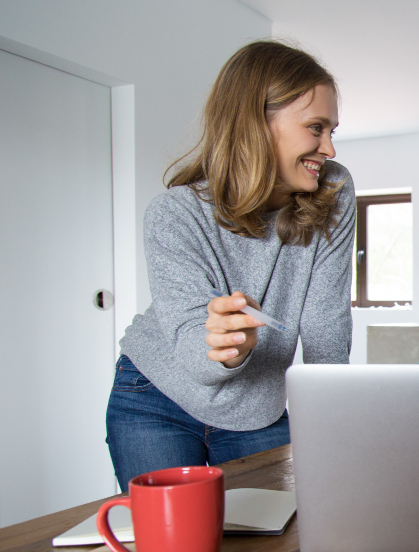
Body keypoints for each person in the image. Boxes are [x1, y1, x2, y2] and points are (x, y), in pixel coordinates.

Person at [106, 41, 355, 489]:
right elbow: (194, 357)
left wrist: (327, 417)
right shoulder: (173, 214)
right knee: (173, 551)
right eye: (316, 128)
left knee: (279, 544)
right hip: (154, 397)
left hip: (258, 407)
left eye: (332, 129)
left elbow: (325, 319)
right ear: (256, 124)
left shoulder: (333, 188)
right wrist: (226, 347)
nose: (330, 148)